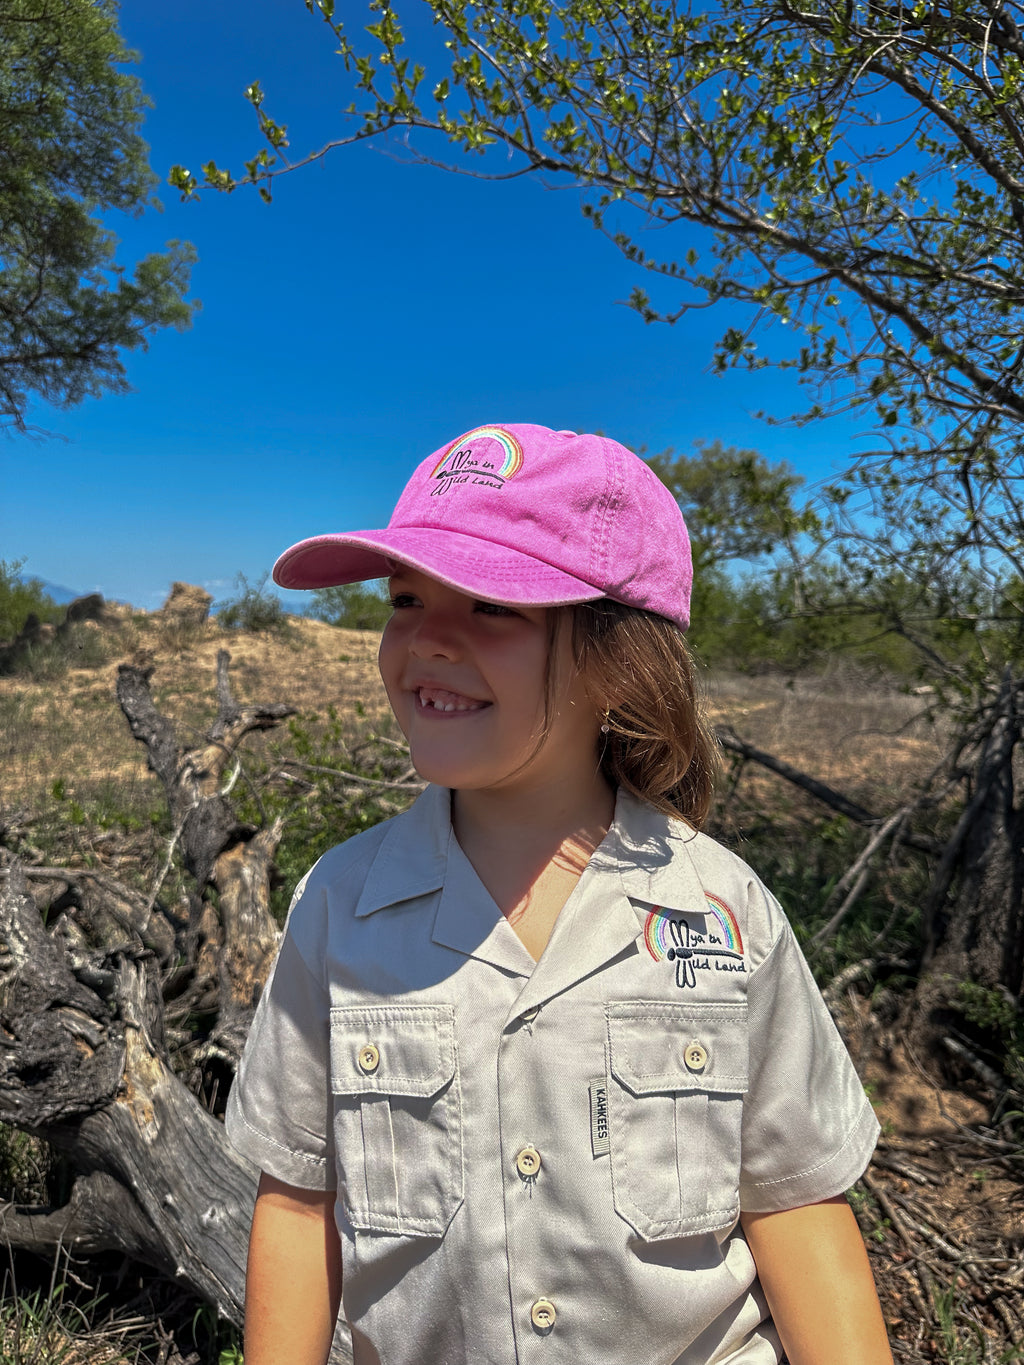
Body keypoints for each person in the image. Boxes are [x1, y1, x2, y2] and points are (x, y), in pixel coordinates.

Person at [226, 423, 894, 1365]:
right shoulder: (339, 907)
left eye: (494, 604)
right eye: (406, 597)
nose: (428, 638)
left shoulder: (723, 909)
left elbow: (795, 1204)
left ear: (619, 659)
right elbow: (298, 1202)